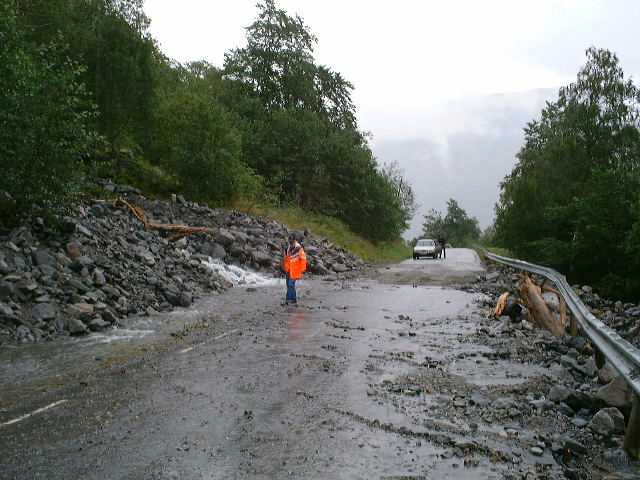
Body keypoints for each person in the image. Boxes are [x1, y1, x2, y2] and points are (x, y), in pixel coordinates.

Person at [282, 234, 307, 305]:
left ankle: (289, 301)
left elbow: (303, 258)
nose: (289, 241)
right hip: (289, 269)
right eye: (289, 239)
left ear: (294, 239)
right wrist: (285, 268)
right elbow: (287, 259)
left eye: (291, 239)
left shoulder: (298, 248)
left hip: (296, 270)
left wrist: (302, 270)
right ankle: (293, 300)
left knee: (290, 284)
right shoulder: (289, 247)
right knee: (289, 285)